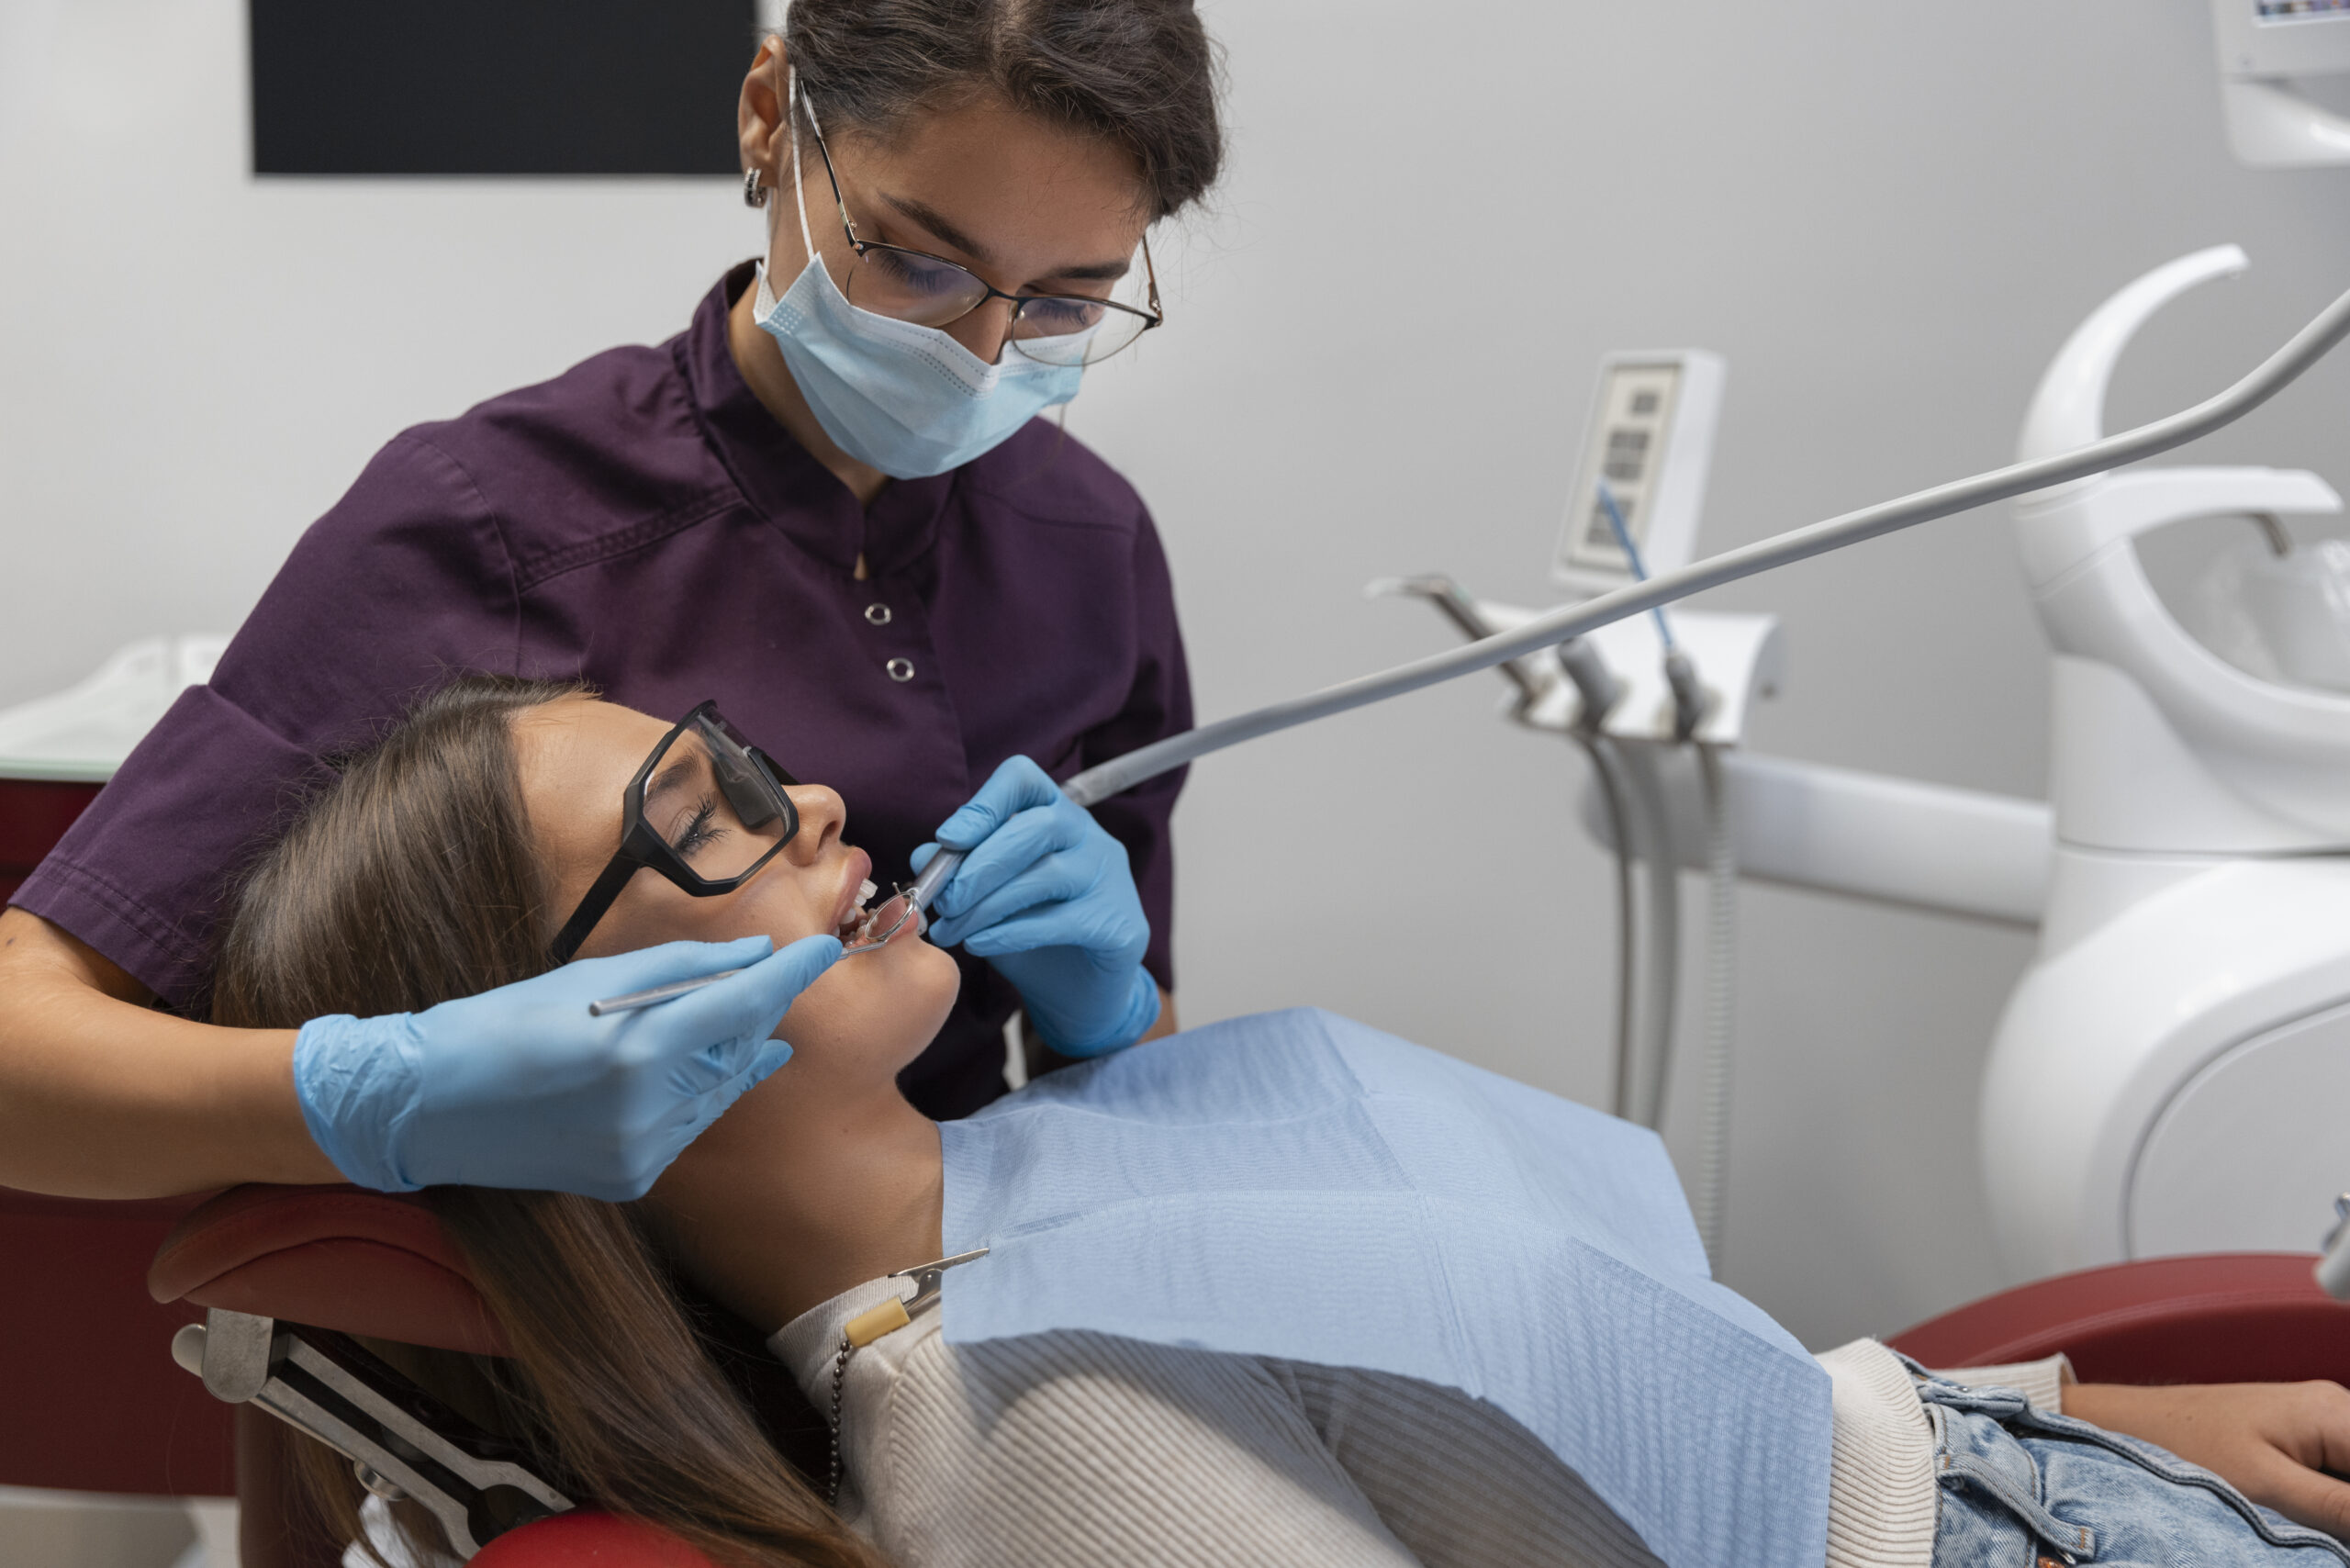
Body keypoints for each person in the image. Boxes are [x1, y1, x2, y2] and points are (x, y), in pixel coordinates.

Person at [215, 677, 2350, 1568]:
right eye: (711, 827)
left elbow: (1590, 1408)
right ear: (566, 1040)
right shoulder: (1016, 1415)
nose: (818, 807)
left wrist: (2075, 1414)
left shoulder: (1041, 1163)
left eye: (751, 763)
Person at [0, 0, 1218, 1205]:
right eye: (916, 260)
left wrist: (1104, 1007)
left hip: (962, 1282)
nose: (983, 353)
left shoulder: (1089, 542)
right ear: (766, 120)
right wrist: (377, 1100)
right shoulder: (483, 527)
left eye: (1064, 304)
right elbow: (24, 1053)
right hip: (603, 1363)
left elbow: (1122, 1083)